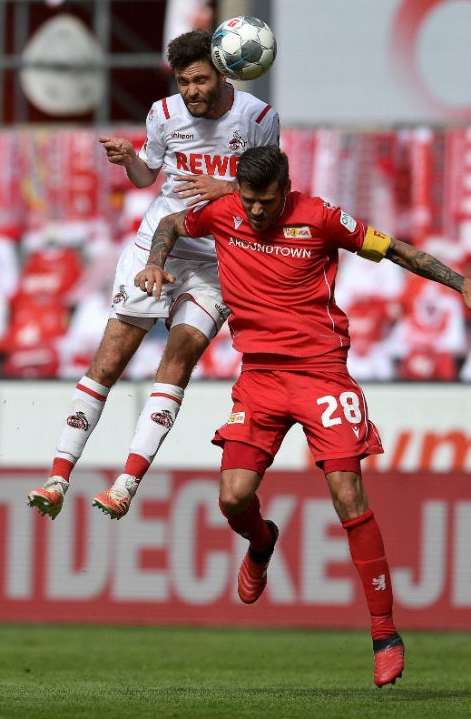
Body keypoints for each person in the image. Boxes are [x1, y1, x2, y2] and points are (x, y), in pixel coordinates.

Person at [135, 144, 471, 687]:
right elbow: (171, 224)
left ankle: (384, 632)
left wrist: (459, 282)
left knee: (348, 495)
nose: (257, 212)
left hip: (322, 375)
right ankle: (262, 542)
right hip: (260, 379)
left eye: (266, 202)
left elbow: (395, 251)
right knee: (233, 498)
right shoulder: (223, 212)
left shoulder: (320, 217)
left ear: (284, 190)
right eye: (248, 200)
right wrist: (154, 263)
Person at [26, 30, 280, 520]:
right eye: (184, 82)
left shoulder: (259, 119)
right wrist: (130, 161)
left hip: (216, 262)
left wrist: (225, 187)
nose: (192, 91)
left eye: (201, 80)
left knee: (179, 358)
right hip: (154, 251)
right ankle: (59, 475)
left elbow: (270, 191)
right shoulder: (164, 115)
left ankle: (126, 483)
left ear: (223, 72)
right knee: (110, 359)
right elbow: (149, 178)